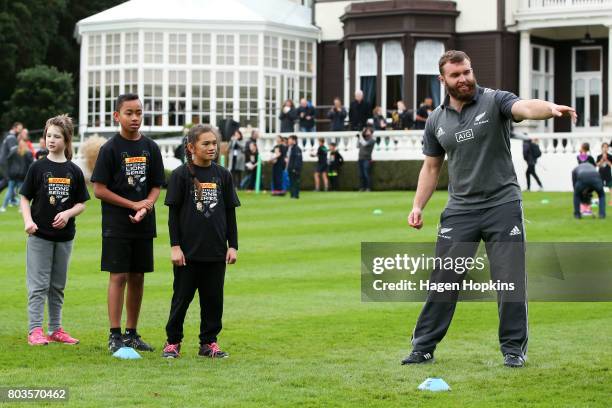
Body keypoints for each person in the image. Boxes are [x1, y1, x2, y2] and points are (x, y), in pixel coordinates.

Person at [404, 50, 577, 368]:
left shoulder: (494, 100)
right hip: (460, 209)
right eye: (456, 75)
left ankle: (513, 349)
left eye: (467, 71)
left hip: (502, 205)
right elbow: (431, 167)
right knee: (444, 279)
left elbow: (523, 107)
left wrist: (548, 109)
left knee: (509, 279)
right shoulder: (436, 120)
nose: (464, 78)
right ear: (443, 80)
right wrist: (418, 205)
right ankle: (423, 347)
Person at [91, 93, 166, 353]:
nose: (135, 118)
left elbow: (156, 185)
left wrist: (146, 205)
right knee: (119, 275)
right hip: (117, 224)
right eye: (129, 113)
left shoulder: (151, 148)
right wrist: (132, 205)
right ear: (117, 116)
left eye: (138, 113)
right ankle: (114, 335)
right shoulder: (110, 149)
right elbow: (99, 189)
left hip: (143, 222)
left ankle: (132, 333)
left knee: (137, 276)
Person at [162, 124, 240, 359]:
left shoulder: (222, 175)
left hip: (216, 251)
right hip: (188, 253)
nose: (211, 147)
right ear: (191, 147)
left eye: (214, 143)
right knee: (181, 299)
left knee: (213, 300)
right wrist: (175, 246)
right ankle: (173, 342)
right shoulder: (180, 175)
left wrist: (233, 245)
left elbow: (229, 213)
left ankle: (209, 343)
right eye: (205, 143)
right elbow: (173, 215)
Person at [19, 114, 90, 346]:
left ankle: (56, 329)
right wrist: (28, 222)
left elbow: (81, 203)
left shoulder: (74, 171)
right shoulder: (37, 167)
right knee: (38, 285)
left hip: (65, 238)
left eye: (56, 136)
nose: (51, 140)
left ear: (67, 140)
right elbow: (24, 197)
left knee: (57, 286)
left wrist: (68, 214)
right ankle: (35, 330)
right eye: (48, 135)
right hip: (39, 236)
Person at [1, 134, 33, 211]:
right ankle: (21, 208)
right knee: (22, 193)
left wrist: (9, 170)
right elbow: (31, 163)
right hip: (22, 175)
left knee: (10, 190)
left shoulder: (13, 150)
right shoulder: (27, 152)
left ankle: (3, 207)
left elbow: (8, 160)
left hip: (13, 174)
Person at [0, 122, 23, 193]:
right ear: (14, 128)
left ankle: (12, 199)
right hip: (5, 162)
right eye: (19, 129)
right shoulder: (11, 137)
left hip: (3, 161)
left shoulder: (7, 135)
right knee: (7, 180)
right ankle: (12, 199)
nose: (20, 131)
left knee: (9, 180)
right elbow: (13, 151)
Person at [357, 127, 375, 191]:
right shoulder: (363, 139)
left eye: (368, 131)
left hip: (367, 159)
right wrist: (359, 138)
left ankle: (368, 188)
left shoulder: (372, 140)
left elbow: (365, 144)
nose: (366, 132)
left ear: (371, 132)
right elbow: (357, 146)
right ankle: (362, 187)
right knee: (361, 174)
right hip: (360, 158)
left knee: (366, 173)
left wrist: (360, 136)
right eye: (366, 131)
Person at [285, 135, 303, 199]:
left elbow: (298, 160)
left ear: (294, 140)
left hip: (294, 169)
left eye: (290, 140)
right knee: (291, 182)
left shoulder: (297, 149)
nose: (288, 141)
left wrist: (295, 168)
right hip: (290, 168)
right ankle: (292, 195)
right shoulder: (290, 148)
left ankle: (296, 195)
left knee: (295, 182)